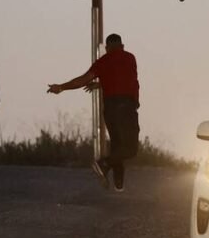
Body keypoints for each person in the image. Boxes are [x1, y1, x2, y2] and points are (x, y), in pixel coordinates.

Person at [47, 33, 140, 192]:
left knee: (118, 146)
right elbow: (124, 79)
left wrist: (61, 87)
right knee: (130, 148)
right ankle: (103, 164)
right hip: (126, 107)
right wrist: (101, 83)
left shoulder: (103, 62)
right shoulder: (130, 58)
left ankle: (118, 183)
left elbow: (83, 79)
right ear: (122, 46)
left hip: (110, 109)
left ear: (106, 48)